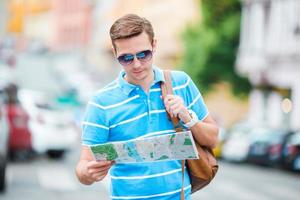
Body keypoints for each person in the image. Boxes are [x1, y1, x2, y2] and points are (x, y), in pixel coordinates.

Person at [75, 14, 219, 200]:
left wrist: (187, 117)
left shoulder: (181, 83)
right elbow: (83, 167)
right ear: (114, 52)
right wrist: (87, 173)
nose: (136, 64)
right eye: (126, 58)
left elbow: (213, 138)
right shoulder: (101, 102)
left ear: (154, 45)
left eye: (143, 54)